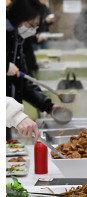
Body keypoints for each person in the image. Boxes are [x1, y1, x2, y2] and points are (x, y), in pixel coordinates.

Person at [7, 0, 58, 140]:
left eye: (36, 26)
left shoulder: (16, 39)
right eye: (31, 25)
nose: (33, 30)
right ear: (19, 16)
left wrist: (48, 106)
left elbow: (23, 82)